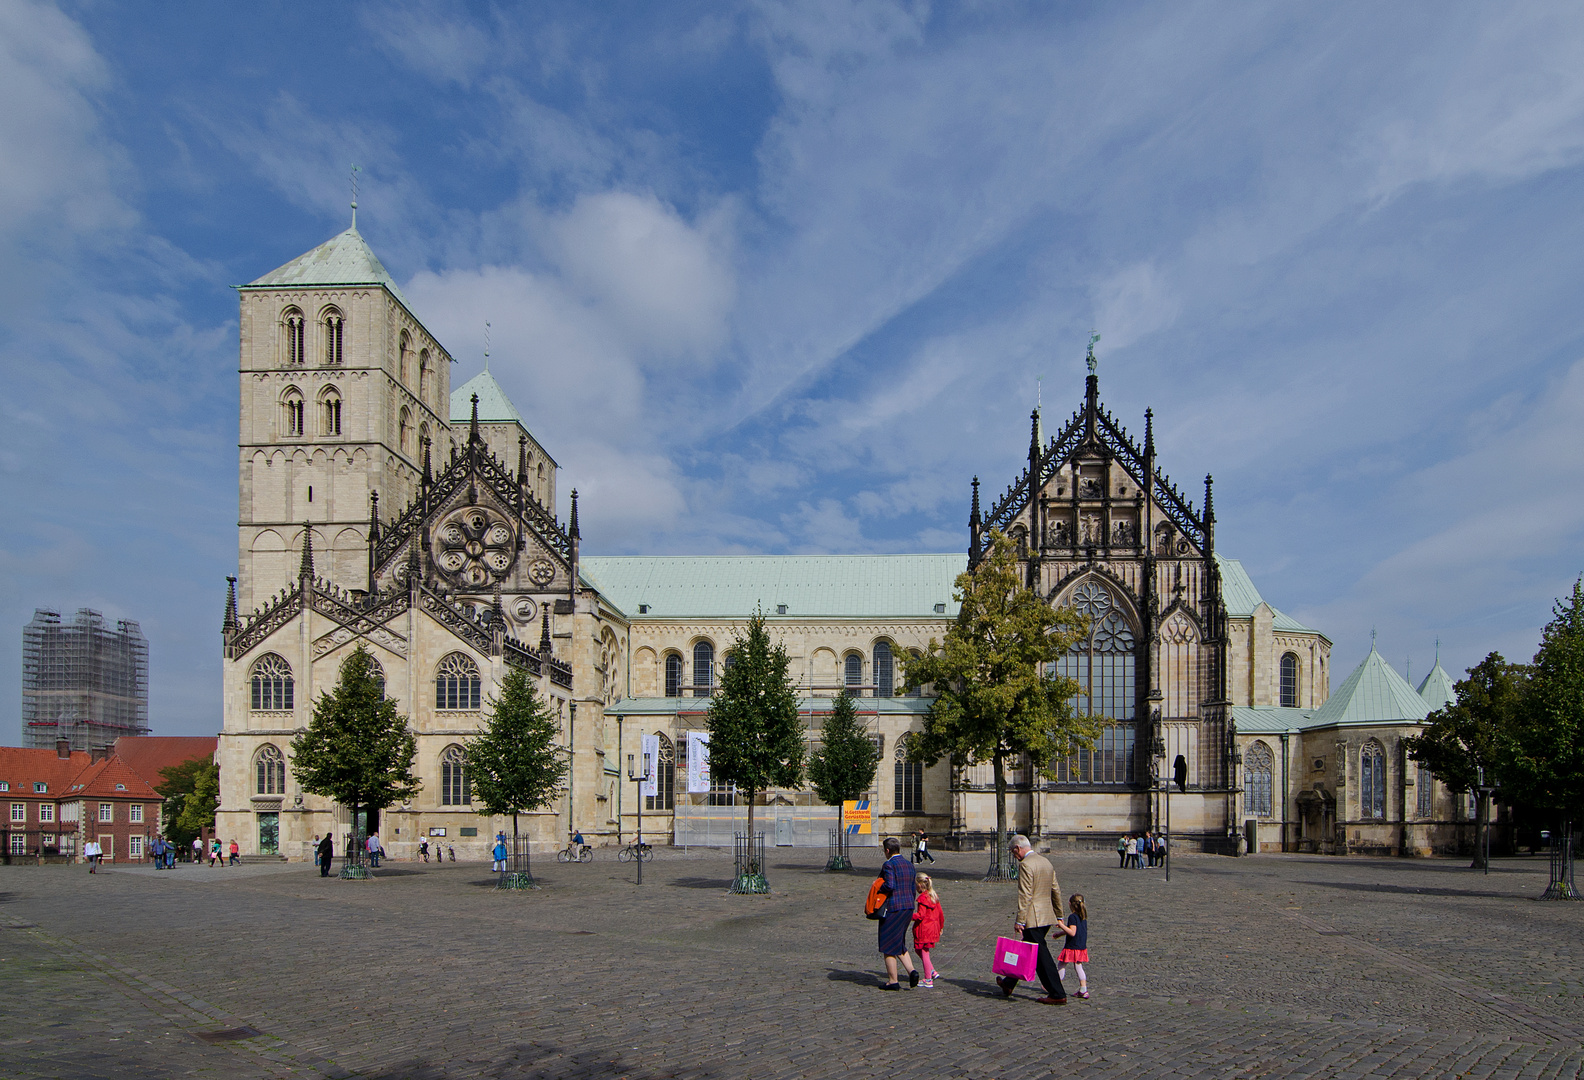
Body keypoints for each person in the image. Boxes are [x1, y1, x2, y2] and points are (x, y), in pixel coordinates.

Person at [995, 834, 1066, 1005]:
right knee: (1026, 951)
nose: (1014, 856)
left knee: (1042, 958)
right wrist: (1059, 914)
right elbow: (1055, 889)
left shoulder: (1026, 865)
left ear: (1018, 848)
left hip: (1033, 918)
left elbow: (1025, 895)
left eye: (1013, 853)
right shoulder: (1045, 862)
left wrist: (1020, 920)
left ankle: (1057, 993)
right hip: (1046, 916)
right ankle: (1008, 983)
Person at [875, 836, 919, 990]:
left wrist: (879, 889)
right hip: (908, 907)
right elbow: (913, 889)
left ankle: (893, 981)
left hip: (893, 908)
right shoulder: (909, 865)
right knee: (898, 941)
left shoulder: (889, 865)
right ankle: (912, 971)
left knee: (887, 944)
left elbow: (890, 885)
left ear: (887, 851)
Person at [911, 872, 944, 988]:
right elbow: (940, 913)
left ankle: (928, 979)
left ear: (920, 884)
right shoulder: (933, 896)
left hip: (924, 930)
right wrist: (941, 926)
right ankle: (931, 971)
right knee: (919, 950)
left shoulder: (923, 899)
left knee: (924, 952)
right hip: (932, 928)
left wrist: (909, 916)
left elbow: (920, 915)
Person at [1055, 893, 1090, 999]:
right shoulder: (1083, 916)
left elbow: (1072, 932)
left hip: (1072, 946)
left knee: (1062, 965)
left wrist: (1061, 925)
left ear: (1070, 904)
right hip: (1081, 945)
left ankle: (1055, 985)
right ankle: (1083, 989)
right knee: (1078, 966)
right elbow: (1075, 930)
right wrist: (1060, 934)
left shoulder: (1072, 917)